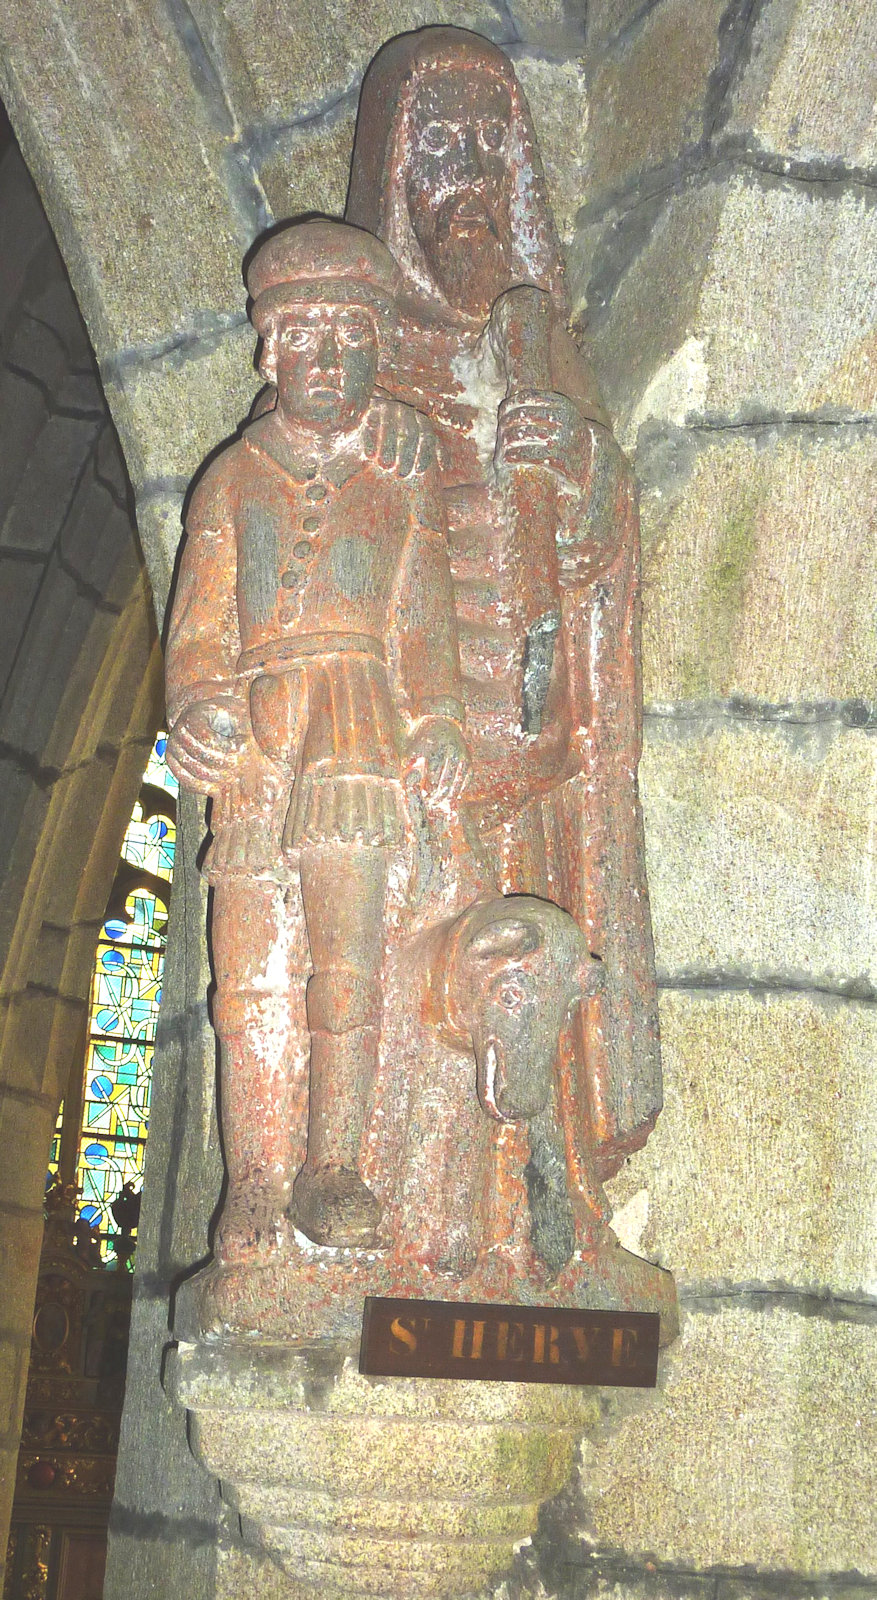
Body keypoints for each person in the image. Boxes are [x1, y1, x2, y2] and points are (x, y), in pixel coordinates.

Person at [345, 27, 662, 1245]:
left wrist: (576, 466)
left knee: (540, 973)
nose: (468, 175)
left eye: (490, 144)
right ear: (395, 174)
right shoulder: (357, 356)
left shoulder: (541, 349)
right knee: (412, 998)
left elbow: (600, 553)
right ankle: (408, 1225)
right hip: (417, 756)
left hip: (533, 763)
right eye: (440, 146)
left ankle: (546, 1216)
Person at [165, 219, 468, 1258]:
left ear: (378, 351)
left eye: (350, 341)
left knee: (347, 957)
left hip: (355, 719)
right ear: (269, 352)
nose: (329, 364)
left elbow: (421, 610)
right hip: (258, 729)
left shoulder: (399, 473)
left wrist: (434, 718)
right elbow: (199, 622)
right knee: (250, 963)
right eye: (306, 340)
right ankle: (254, 1175)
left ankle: (330, 1163)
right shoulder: (234, 479)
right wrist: (198, 705)